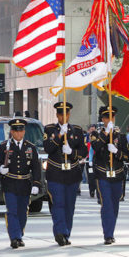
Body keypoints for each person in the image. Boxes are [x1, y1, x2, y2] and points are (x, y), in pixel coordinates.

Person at [42, 102, 87, 246]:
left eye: (66, 114)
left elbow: (84, 151)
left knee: (69, 206)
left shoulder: (77, 130)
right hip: (56, 172)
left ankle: (66, 232)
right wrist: (60, 135)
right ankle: (60, 233)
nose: (64, 116)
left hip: (72, 173)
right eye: (61, 114)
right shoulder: (49, 130)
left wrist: (72, 152)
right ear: (57, 115)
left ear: (69, 114)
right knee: (58, 204)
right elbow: (48, 148)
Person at [0, 118, 42, 249]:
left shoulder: (30, 147)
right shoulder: (5, 146)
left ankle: (19, 234)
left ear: (24, 132)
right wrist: (0, 169)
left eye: (21, 131)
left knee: (22, 212)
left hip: (24, 183)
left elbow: (36, 168)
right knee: (12, 211)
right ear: (11, 132)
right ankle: (14, 237)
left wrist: (36, 184)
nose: (18, 134)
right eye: (16, 131)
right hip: (10, 182)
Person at [91, 106, 129, 245]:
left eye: (112, 117)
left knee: (114, 205)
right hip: (102, 174)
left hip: (117, 174)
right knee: (106, 204)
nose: (110, 119)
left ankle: (111, 230)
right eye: (107, 117)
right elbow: (95, 147)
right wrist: (106, 135)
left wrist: (116, 152)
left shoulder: (121, 136)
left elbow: (126, 156)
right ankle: (108, 234)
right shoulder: (96, 134)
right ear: (103, 119)